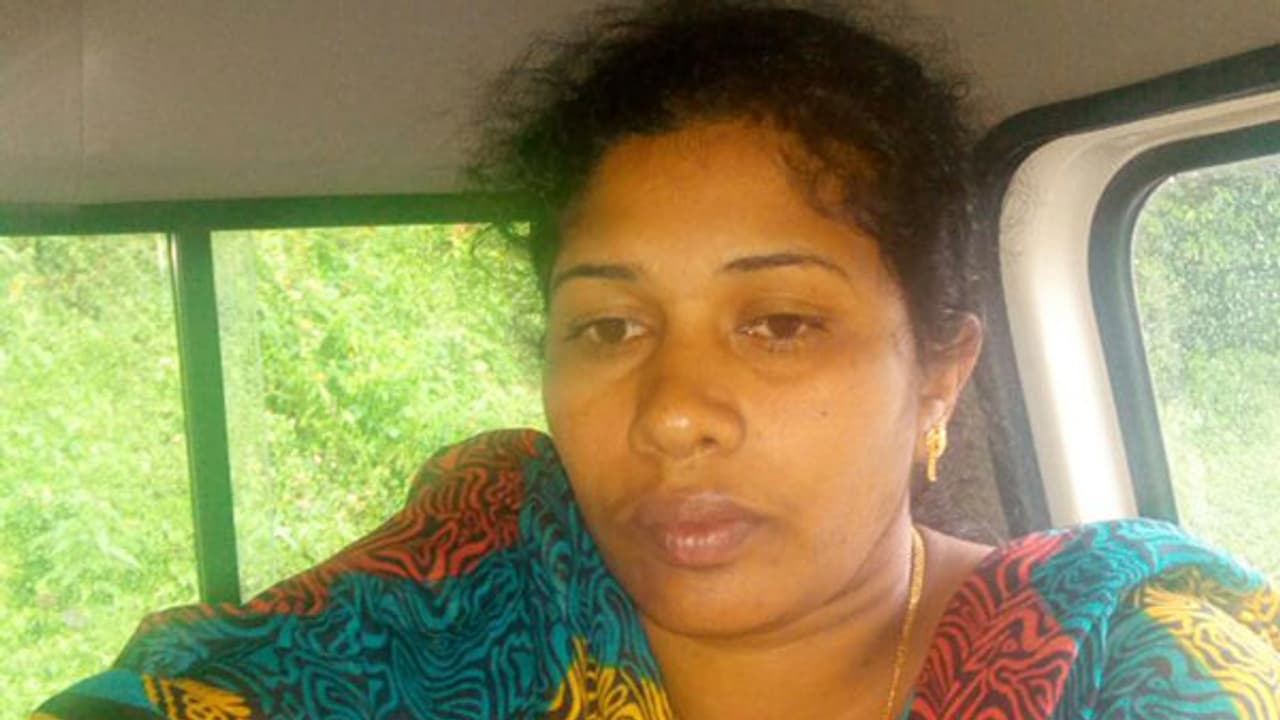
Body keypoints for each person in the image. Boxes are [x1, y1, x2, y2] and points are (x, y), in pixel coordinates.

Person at [33, 2, 1280, 718]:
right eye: (608, 327)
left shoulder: (1113, 652)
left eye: (778, 322)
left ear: (937, 377)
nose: (672, 412)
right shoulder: (483, 572)